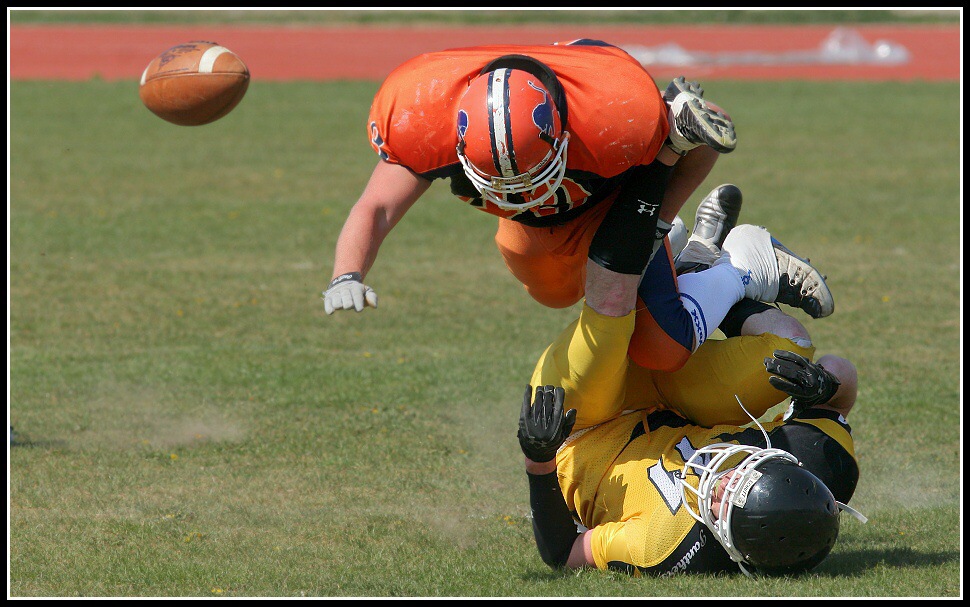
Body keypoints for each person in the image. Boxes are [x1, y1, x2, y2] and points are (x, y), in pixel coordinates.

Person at [322, 39, 742, 371]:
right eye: (502, 182)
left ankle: (748, 267)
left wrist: (654, 222)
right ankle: (673, 248)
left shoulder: (617, 118)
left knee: (660, 350)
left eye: (531, 175)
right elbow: (376, 207)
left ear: (562, 134)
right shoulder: (424, 116)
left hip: (609, 203)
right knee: (555, 294)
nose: (521, 194)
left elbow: (710, 135)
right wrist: (346, 274)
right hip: (529, 232)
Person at [516, 217, 863, 576]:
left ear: (731, 542)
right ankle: (733, 274)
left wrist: (538, 461)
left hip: (577, 429)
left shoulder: (663, 546)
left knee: (613, 313)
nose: (727, 479)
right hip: (671, 393)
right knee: (791, 347)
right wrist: (824, 386)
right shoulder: (810, 482)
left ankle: (667, 254)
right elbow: (840, 388)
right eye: (746, 473)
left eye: (730, 498)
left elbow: (563, 553)